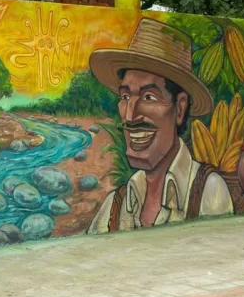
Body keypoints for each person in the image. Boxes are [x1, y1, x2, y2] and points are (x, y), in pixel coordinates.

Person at [86, 19, 234, 234]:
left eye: (149, 97)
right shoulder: (116, 205)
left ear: (180, 108)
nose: (130, 115)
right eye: (125, 96)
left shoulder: (207, 191)